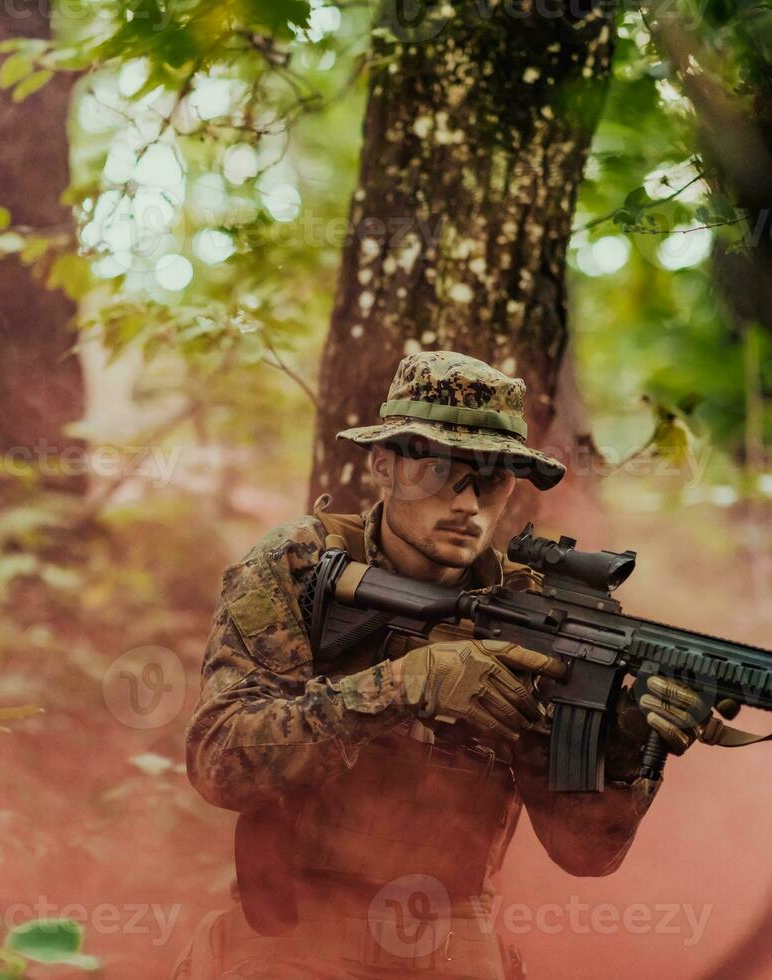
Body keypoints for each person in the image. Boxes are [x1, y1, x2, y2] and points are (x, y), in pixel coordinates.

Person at [177, 351, 722, 979]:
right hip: (298, 930)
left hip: (451, 940)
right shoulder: (302, 562)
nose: (468, 502)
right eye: (440, 470)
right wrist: (406, 685)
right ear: (384, 466)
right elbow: (220, 763)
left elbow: (584, 853)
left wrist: (627, 744)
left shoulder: (539, 614)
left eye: (492, 479)